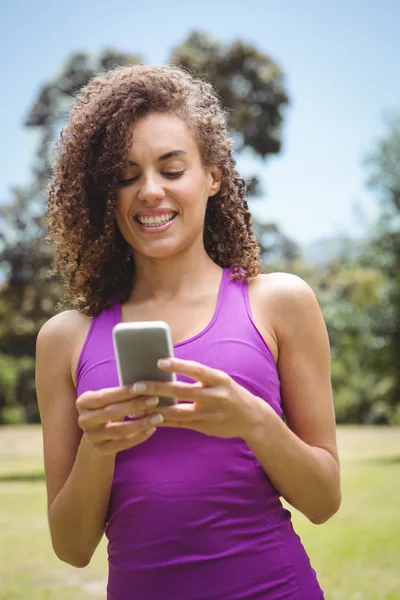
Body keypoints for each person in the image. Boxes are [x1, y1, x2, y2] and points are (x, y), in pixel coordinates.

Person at [35, 64, 341, 600]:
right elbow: (72, 546)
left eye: (172, 169)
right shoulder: (65, 339)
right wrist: (99, 446)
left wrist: (252, 419)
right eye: (126, 176)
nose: (149, 191)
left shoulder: (279, 303)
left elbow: (323, 501)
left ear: (213, 176)